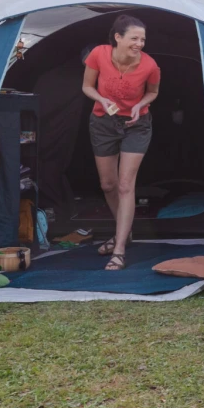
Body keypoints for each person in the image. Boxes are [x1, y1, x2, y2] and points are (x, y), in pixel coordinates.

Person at [82, 14, 161, 270]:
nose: (139, 43)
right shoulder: (98, 54)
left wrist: (140, 104)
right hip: (103, 123)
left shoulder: (150, 65)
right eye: (134, 38)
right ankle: (123, 232)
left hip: (136, 125)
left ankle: (119, 249)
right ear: (118, 37)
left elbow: (153, 92)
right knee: (108, 184)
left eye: (143, 39)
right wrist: (102, 100)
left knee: (126, 185)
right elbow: (87, 87)